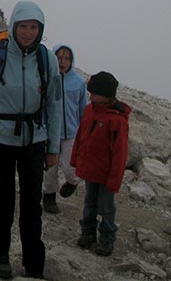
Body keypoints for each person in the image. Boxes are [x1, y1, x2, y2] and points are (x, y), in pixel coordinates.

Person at [0, 1, 62, 280]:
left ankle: (33, 262)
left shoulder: (47, 59)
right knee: (3, 201)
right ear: (13, 26)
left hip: (34, 140)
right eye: (23, 26)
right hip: (0, 139)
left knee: (31, 204)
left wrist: (53, 148)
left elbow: (54, 104)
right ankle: (0, 254)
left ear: (40, 30)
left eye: (33, 27)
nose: (28, 33)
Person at [70, 71, 130, 256]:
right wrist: (75, 159)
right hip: (90, 169)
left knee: (106, 207)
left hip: (106, 174)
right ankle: (88, 233)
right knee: (89, 202)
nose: (91, 96)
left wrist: (115, 179)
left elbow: (120, 153)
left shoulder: (117, 120)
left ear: (106, 95)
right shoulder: (90, 110)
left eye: (94, 93)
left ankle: (107, 237)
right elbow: (81, 135)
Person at [42, 44, 88, 214]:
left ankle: (72, 182)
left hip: (72, 133)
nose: (63, 61)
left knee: (71, 167)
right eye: (59, 57)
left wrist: (84, 132)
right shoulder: (46, 77)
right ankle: (49, 196)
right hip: (49, 132)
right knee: (50, 169)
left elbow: (83, 109)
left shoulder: (78, 82)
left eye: (67, 58)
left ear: (72, 61)